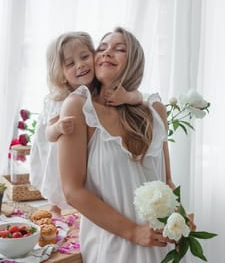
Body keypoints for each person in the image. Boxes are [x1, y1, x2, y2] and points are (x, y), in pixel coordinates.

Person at [57, 27, 196, 263]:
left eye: (119, 48)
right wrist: (134, 232)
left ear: (134, 60)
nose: (107, 51)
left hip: (161, 243)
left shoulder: (154, 111)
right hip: (116, 246)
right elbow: (73, 191)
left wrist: (179, 217)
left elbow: (165, 181)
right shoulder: (77, 108)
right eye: (103, 46)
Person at [30, 31, 143, 216]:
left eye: (84, 57)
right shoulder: (60, 100)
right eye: (71, 64)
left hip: (86, 149)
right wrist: (57, 128)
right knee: (58, 180)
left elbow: (140, 97)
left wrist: (127, 97)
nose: (80, 65)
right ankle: (55, 207)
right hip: (60, 149)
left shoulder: (101, 88)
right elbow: (48, 135)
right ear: (63, 75)